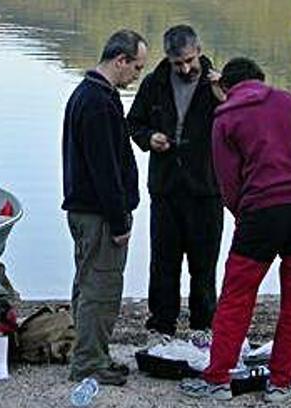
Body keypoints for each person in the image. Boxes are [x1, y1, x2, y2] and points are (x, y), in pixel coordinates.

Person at [179, 57, 291, 402]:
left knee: (237, 295)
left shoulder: (226, 116)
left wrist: (241, 215)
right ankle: (282, 382)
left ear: (226, 87)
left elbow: (228, 182)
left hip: (263, 210)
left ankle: (217, 380)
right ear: (261, 79)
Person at [61, 29, 148, 386]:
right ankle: (89, 363)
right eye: (136, 68)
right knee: (102, 287)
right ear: (120, 60)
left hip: (84, 210)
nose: (137, 76)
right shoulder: (97, 102)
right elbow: (105, 168)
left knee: (87, 282)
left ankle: (88, 353)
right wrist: (119, 220)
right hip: (98, 214)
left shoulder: (90, 94)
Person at [127, 25, 224, 336]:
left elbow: (238, 126)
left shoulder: (218, 84)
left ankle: (203, 326)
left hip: (207, 188)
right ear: (167, 57)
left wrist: (224, 98)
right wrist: (148, 137)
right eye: (176, 62)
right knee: (163, 263)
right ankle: (162, 326)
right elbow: (134, 123)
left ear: (199, 51)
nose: (184, 68)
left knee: (204, 265)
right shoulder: (155, 83)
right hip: (166, 187)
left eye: (189, 61)